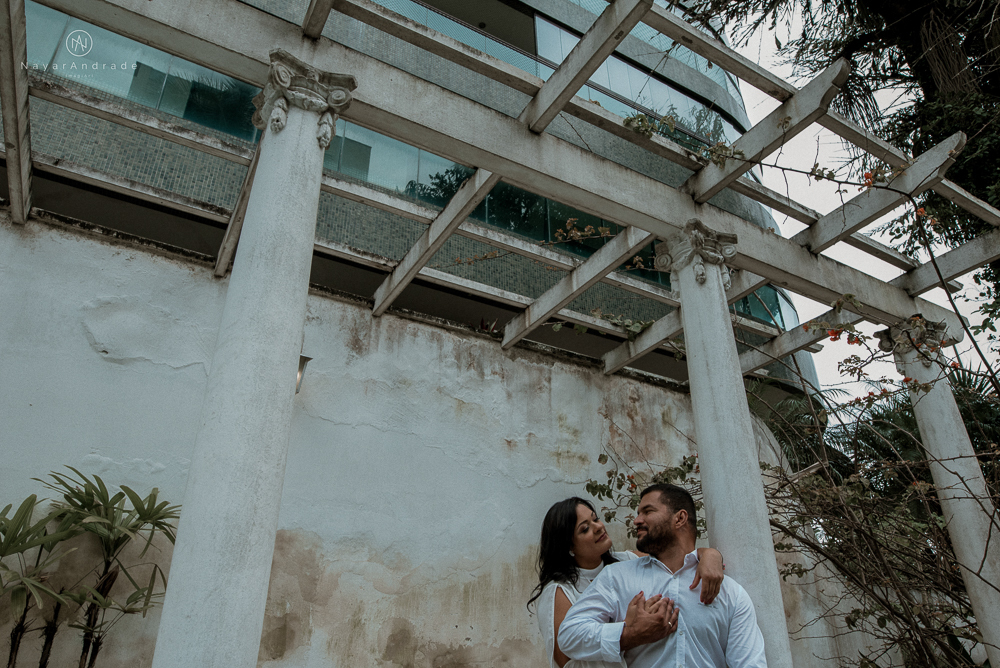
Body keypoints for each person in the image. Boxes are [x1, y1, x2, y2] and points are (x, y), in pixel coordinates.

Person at [558, 485, 767, 668]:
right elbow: (569, 635)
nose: (637, 520)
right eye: (638, 513)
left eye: (647, 511)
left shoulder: (731, 594)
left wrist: (712, 554)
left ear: (680, 518)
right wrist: (630, 635)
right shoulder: (617, 577)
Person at [528, 496, 725, 668]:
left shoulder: (628, 561)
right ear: (569, 547)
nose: (598, 527)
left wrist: (709, 554)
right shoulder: (559, 591)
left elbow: (675, 562)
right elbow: (566, 659)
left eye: (595, 519)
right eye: (585, 529)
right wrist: (628, 628)